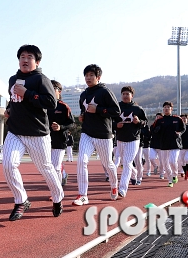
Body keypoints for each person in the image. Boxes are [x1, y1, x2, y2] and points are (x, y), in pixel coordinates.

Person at [2, 44, 64, 220]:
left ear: (37, 61)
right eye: (22, 56)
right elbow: (14, 100)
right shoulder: (12, 79)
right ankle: (21, 200)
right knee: (8, 164)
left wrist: (28, 93)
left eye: (29, 57)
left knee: (45, 168)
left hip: (37, 133)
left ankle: (58, 198)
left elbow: (51, 102)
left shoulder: (41, 79)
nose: (25, 60)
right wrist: (9, 109)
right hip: (15, 131)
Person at [73, 64, 121, 206]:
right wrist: (82, 116)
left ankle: (114, 185)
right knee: (81, 161)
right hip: (87, 133)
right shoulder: (83, 95)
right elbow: (84, 110)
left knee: (108, 164)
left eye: (91, 75)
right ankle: (83, 195)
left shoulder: (105, 92)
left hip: (103, 134)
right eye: (86, 75)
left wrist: (99, 109)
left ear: (98, 77)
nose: (88, 78)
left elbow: (116, 111)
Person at [113, 86, 147, 197]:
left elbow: (145, 123)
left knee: (127, 163)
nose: (125, 96)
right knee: (124, 162)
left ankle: (122, 189)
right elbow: (109, 122)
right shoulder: (116, 107)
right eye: (123, 94)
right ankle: (135, 173)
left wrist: (138, 122)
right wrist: (115, 125)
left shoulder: (138, 109)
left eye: (128, 94)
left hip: (133, 139)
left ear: (132, 96)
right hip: (121, 139)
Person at [47, 80, 74, 187]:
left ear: (59, 91)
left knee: (55, 166)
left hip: (60, 140)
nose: (50, 90)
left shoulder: (64, 107)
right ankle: (63, 175)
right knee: (49, 165)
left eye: (53, 88)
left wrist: (60, 127)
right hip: (45, 140)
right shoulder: (43, 106)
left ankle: (56, 191)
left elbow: (71, 123)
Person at [153, 101, 185, 187]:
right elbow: (152, 129)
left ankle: (175, 174)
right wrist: (156, 130)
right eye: (165, 107)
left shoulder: (177, 119)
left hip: (175, 144)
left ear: (171, 109)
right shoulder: (159, 120)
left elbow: (183, 128)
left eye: (168, 107)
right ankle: (170, 180)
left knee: (172, 161)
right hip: (163, 144)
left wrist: (179, 133)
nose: (166, 109)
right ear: (163, 109)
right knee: (165, 163)